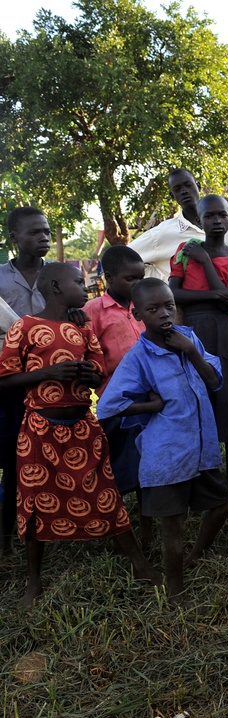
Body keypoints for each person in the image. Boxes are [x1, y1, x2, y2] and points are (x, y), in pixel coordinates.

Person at [0, 263, 159, 607]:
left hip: (83, 428)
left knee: (106, 492)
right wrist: (50, 372)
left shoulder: (81, 328)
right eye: (78, 282)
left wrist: (90, 373)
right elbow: (5, 378)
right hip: (40, 429)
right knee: (34, 502)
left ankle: (139, 564)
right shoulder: (24, 327)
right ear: (56, 286)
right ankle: (34, 580)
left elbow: (99, 370)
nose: (86, 287)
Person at [98, 278, 228, 604]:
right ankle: (175, 590)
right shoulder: (139, 357)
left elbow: (215, 382)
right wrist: (151, 406)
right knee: (173, 526)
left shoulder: (188, 338)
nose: (164, 314)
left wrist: (191, 352)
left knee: (224, 505)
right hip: (167, 455)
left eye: (169, 305)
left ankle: (195, 556)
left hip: (201, 450)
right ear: (137, 314)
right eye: (153, 308)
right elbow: (108, 405)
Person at [169, 194, 228, 492]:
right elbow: (175, 295)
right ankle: (197, 478)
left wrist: (205, 262)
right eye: (210, 216)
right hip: (193, 332)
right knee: (194, 400)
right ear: (199, 220)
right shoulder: (184, 250)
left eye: (222, 215)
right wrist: (218, 295)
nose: (216, 221)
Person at [83, 246, 147, 535]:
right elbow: (85, 351)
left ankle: (147, 523)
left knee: (146, 464)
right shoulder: (93, 311)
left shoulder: (146, 306)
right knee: (118, 468)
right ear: (109, 278)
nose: (137, 285)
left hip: (150, 400)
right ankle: (118, 528)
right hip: (117, 402)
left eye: (141, 278)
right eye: (130, 279)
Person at [0, 207, 52, 555]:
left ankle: (47, 527)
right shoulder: (1, 278)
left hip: (48, 379)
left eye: (47, 231)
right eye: (35, 233)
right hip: (9, 381)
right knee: (9, 453)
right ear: (14, 238)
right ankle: (6, 537)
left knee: (45, 454)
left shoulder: (60, 275)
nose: (44, 238)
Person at [128, 168, 228, 282]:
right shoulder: (162, 233)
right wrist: (160, 279)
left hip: (224, 296)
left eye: (188, 185)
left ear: (198, 186)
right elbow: (123, 259)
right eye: (177, 189)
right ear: (172, 196)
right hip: (182, 297)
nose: (184, 191)